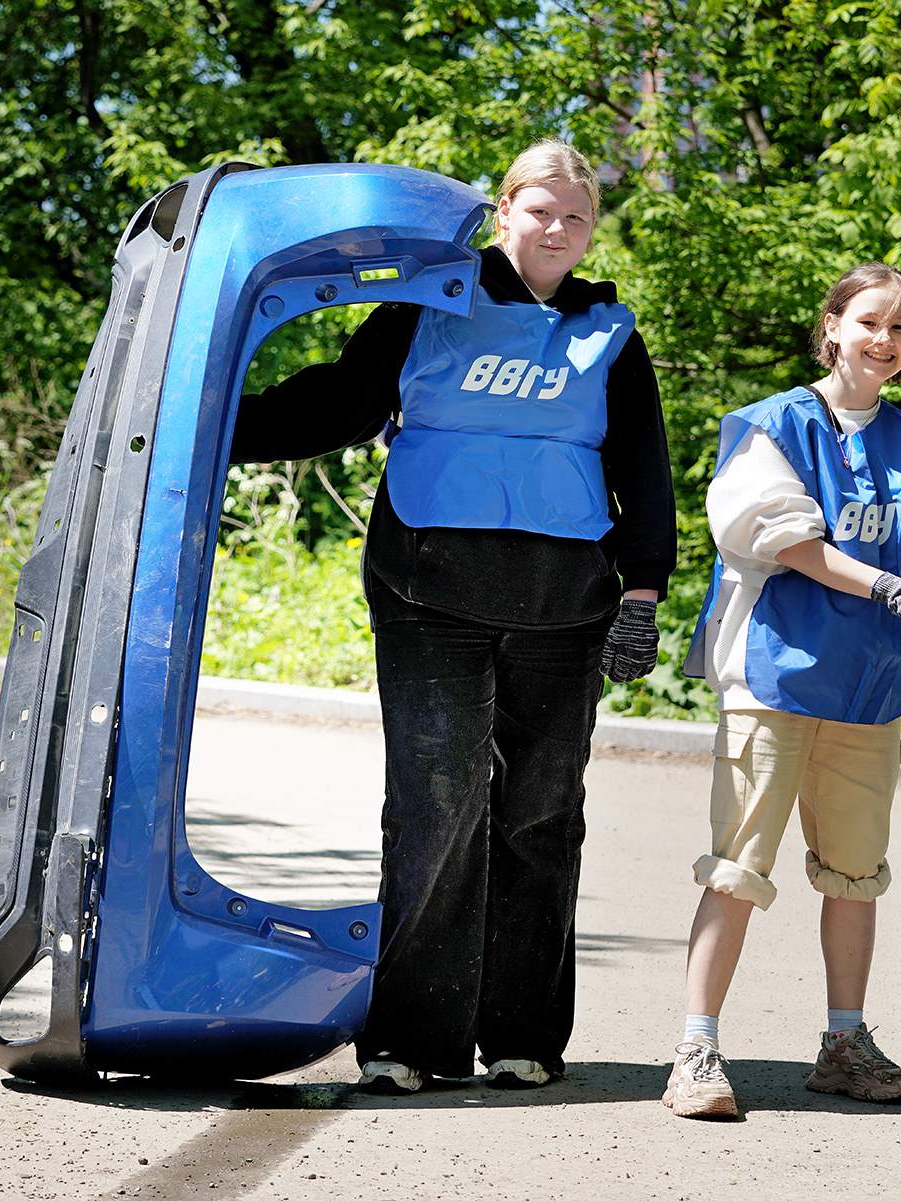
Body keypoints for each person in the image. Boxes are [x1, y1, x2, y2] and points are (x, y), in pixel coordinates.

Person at [230, 141, 676, 1094]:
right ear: (504, 211)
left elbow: (644, 468)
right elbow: (338, 404)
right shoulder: (427, 303)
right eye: (541, 210)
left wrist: (642, 594)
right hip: (428, 595)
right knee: (434, 812)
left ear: (591, 232)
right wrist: (211, 423)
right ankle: (411, 1042)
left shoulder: (611, 333)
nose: (557, 230)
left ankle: (522, 1036)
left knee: (541, 818)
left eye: (576, 218)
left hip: (564, 607)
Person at [663, 263, 901, 1119]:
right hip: (776, 676)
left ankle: (844, 1045)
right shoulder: (774, 425)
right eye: (869, 321)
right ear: (831, 326)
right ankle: (696, 1051)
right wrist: (888, 585)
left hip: (869, 688)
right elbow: (782, 539)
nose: (884, 340)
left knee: (855, 875)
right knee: (737, 868)